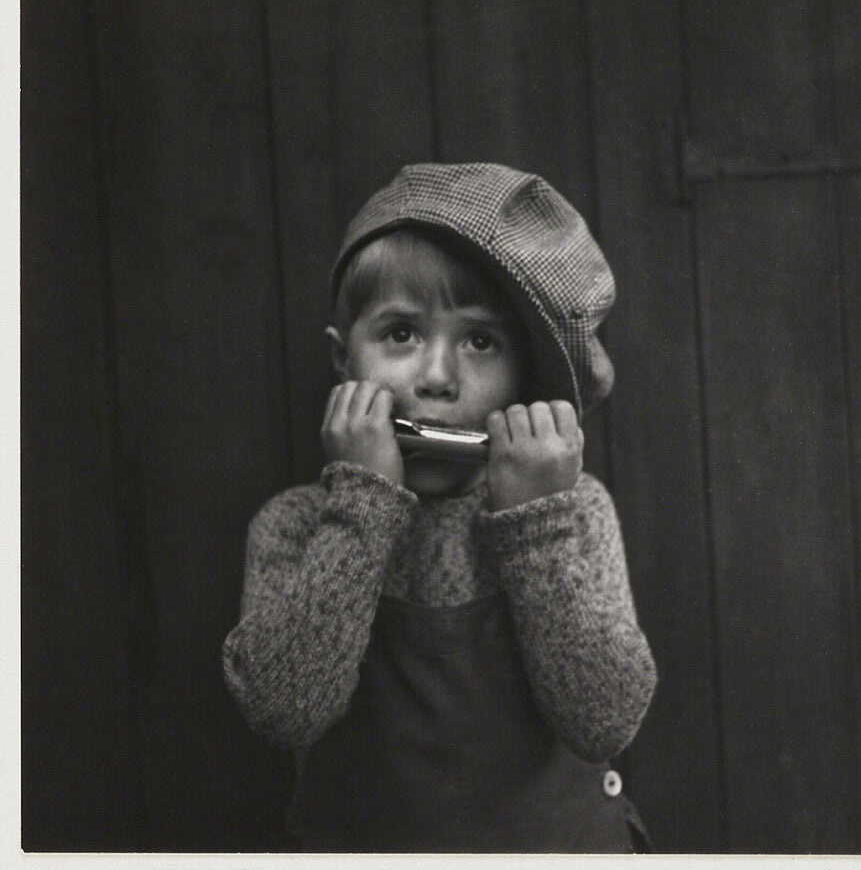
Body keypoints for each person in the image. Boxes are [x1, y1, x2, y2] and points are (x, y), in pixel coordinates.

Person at [222, 162, 658, 852]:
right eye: (401, 333)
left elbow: (604, 721)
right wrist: (361, 505)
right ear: (343, 361)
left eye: (481, 341)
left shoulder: (572, 511)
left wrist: (535, 526)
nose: (436, 377)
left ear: (524, 382)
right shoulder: (295, 526)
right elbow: (284, 712)